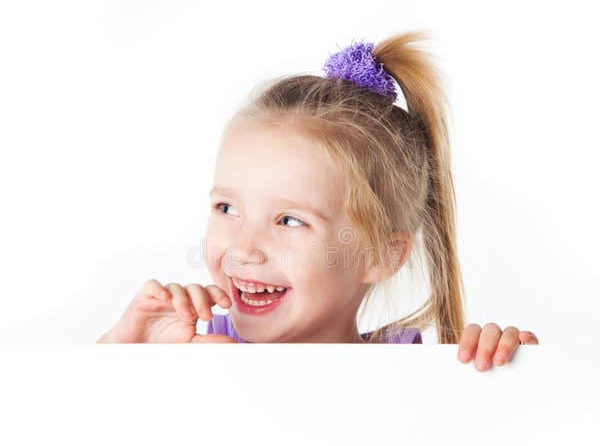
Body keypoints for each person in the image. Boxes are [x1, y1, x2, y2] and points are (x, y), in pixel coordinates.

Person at [96, 31, 539, 371]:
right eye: (227, 208)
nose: (244, 247)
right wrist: (125, 354)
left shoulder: (407, 373)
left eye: (289, 220)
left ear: (381, 254)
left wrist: (511, 375)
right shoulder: (193, 350)